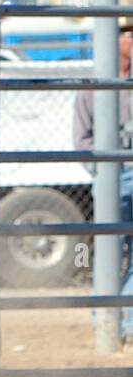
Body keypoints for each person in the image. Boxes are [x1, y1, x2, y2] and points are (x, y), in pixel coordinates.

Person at [72, 21, 133, 342]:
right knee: (110, 245)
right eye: (126, 32)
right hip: (113, 176)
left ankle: (128, 323)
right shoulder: (91, 87)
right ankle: (106, 320)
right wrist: (103, 171)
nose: (131, 38)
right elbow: (81, 139)